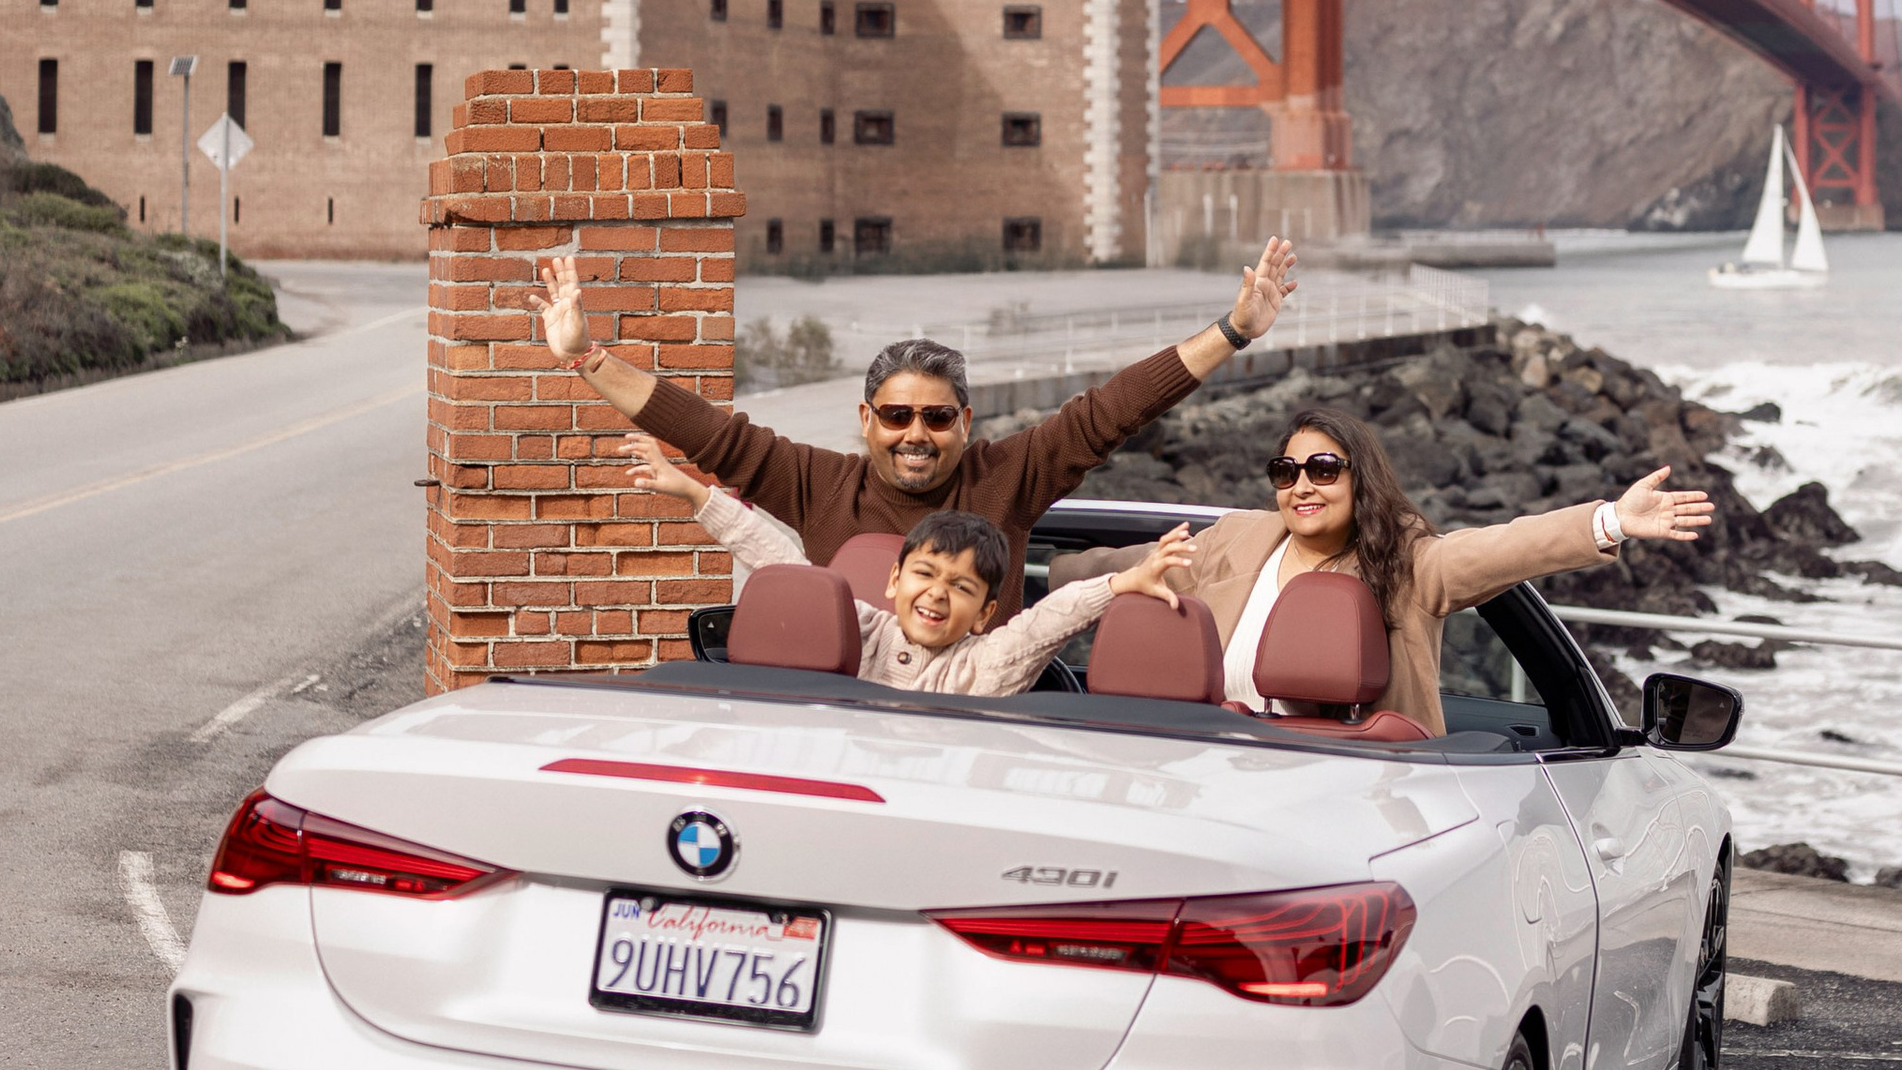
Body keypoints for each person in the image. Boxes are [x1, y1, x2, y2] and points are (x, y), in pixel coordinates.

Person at [537, 234, 1297, 604]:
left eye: (936, 417)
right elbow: (706, 432)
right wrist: (586, 357)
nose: (916, 433)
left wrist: (1232, 330)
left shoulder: (1011, 476)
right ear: (865, 419)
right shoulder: (815, 483)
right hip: (848, 729)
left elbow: (1115, 409)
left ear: (966, 421)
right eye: (897, 414)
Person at [1050, 405, 1712, 735]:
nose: (1301, 484)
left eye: (1324, 468)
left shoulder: (1405, 564)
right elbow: (1118, 574)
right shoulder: (1237, 539)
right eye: (1286, 470)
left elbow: (1500, 548)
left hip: (1363, 797)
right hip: (1212, 773)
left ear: (1360, 477)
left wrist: (1612, 520)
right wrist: (1013, 585)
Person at [619, 424, 1201, 697]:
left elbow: (1051, 620)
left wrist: (1122, 582)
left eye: (962, 587)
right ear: (894, 580)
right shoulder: (860, 628)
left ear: (984, 613)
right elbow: (784, 561)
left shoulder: (988, 665)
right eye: (924, 573)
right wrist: (697, 493)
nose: (937, 593)